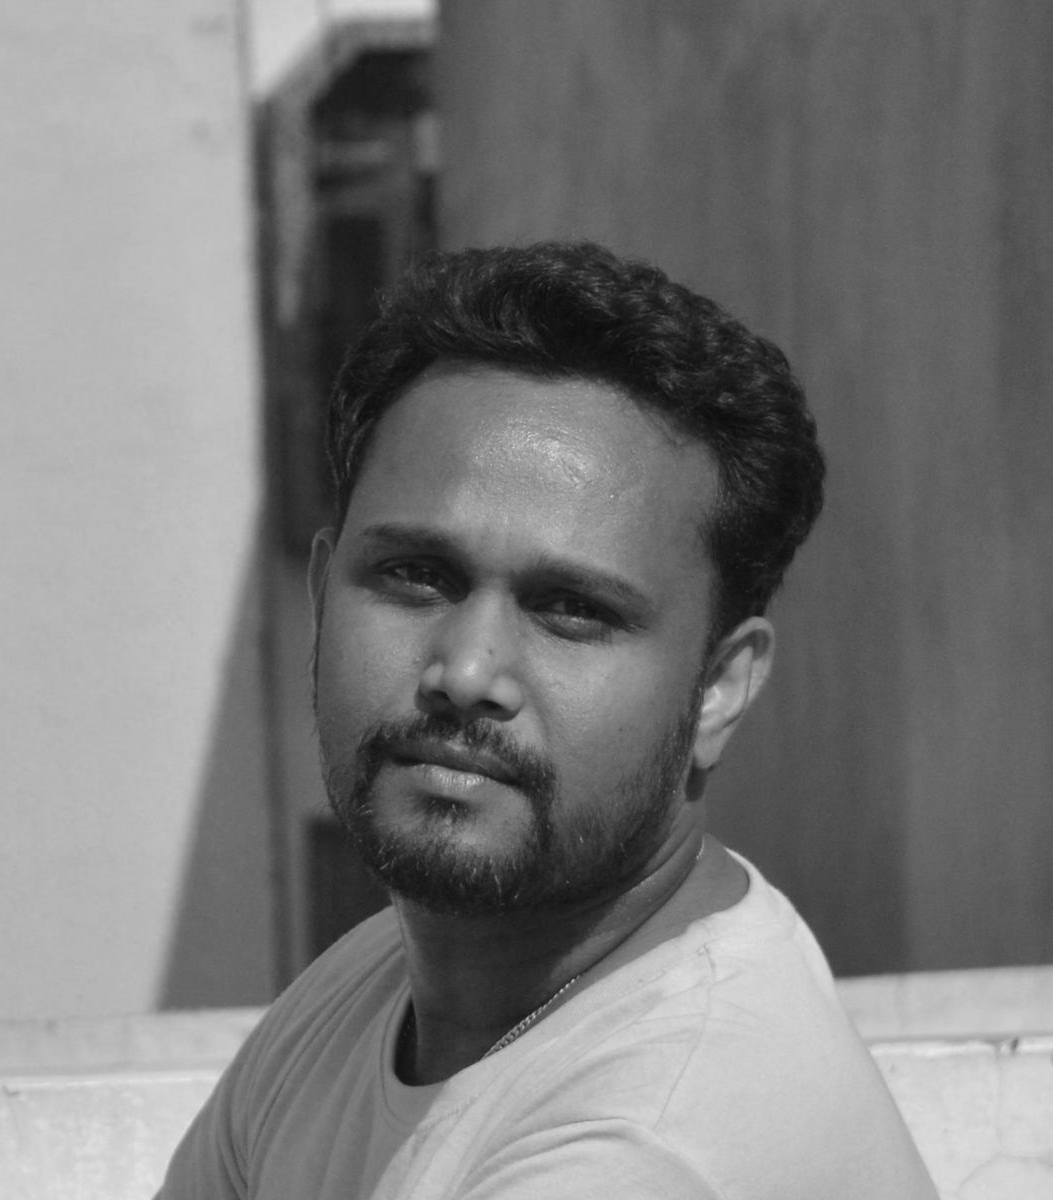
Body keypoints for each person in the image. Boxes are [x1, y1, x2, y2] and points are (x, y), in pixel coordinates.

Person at [158, 242, 937, 1198]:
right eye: (416, 575)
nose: (467, 672)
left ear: (718, 689)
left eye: (572, 609)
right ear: (324, 598)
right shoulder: (374, 989)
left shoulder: (654, 1147)